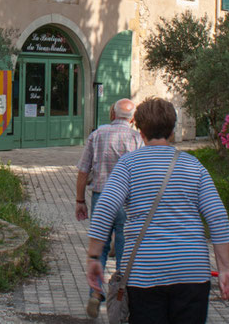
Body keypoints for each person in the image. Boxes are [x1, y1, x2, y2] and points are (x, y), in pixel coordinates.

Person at [85, 97, 229, 324]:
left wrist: (94, 257)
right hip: (192, 272)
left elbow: (105, 209)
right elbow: (217, 216)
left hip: (144, 274)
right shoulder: (194, 166)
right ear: (172, 130)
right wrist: (225, 269)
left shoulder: (128, 166)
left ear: (140, 130)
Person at [75, 97, 143, 317]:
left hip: (101, 197)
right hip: (127, 201)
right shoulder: (137, 139)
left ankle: (94, 294)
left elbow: (83, 170)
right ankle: (122, 302)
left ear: (112, 115)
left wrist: (79, 201)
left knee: (100, 249)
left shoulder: (97, 135)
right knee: (125, 251)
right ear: (132, 118)